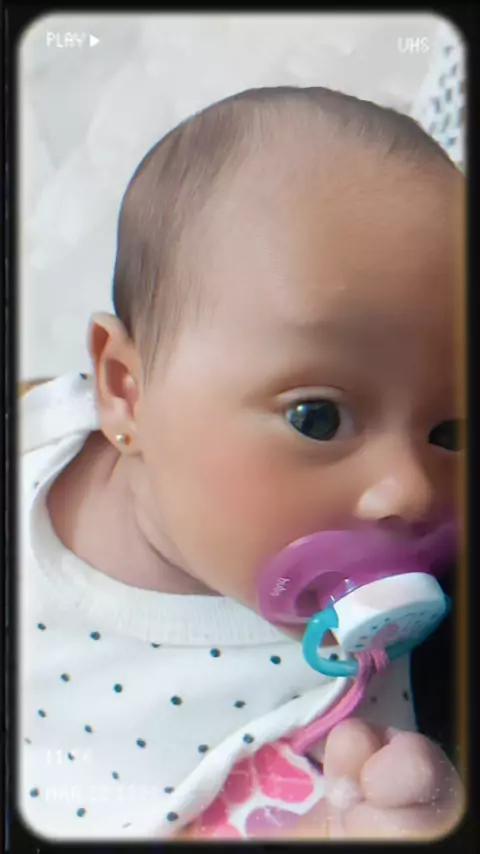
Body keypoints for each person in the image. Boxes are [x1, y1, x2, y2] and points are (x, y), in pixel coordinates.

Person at [19, 86, 465, 841]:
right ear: (125, 390)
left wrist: (367, 818)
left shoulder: (352, 684)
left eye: (451, 430)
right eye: (316, 417)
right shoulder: (47, 430)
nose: (410, 489)